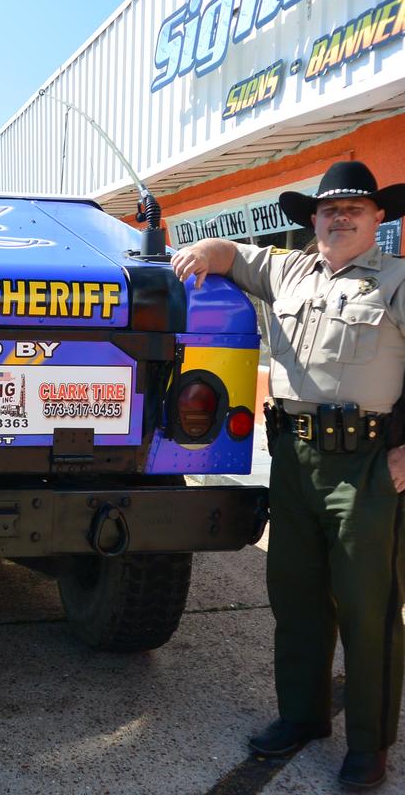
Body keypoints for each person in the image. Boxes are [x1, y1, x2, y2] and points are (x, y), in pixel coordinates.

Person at [172, 160, 405, 790]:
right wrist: (198, 251)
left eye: (354, 207)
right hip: (294, 463)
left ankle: (369, 744)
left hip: (367, 467)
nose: (340, 216)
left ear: (379, 216)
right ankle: (301, 718)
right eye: (329, 209)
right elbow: (228, 255)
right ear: (314, 220)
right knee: (296, 598)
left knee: (368, 607)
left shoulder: (397, 280)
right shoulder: (289, 269)